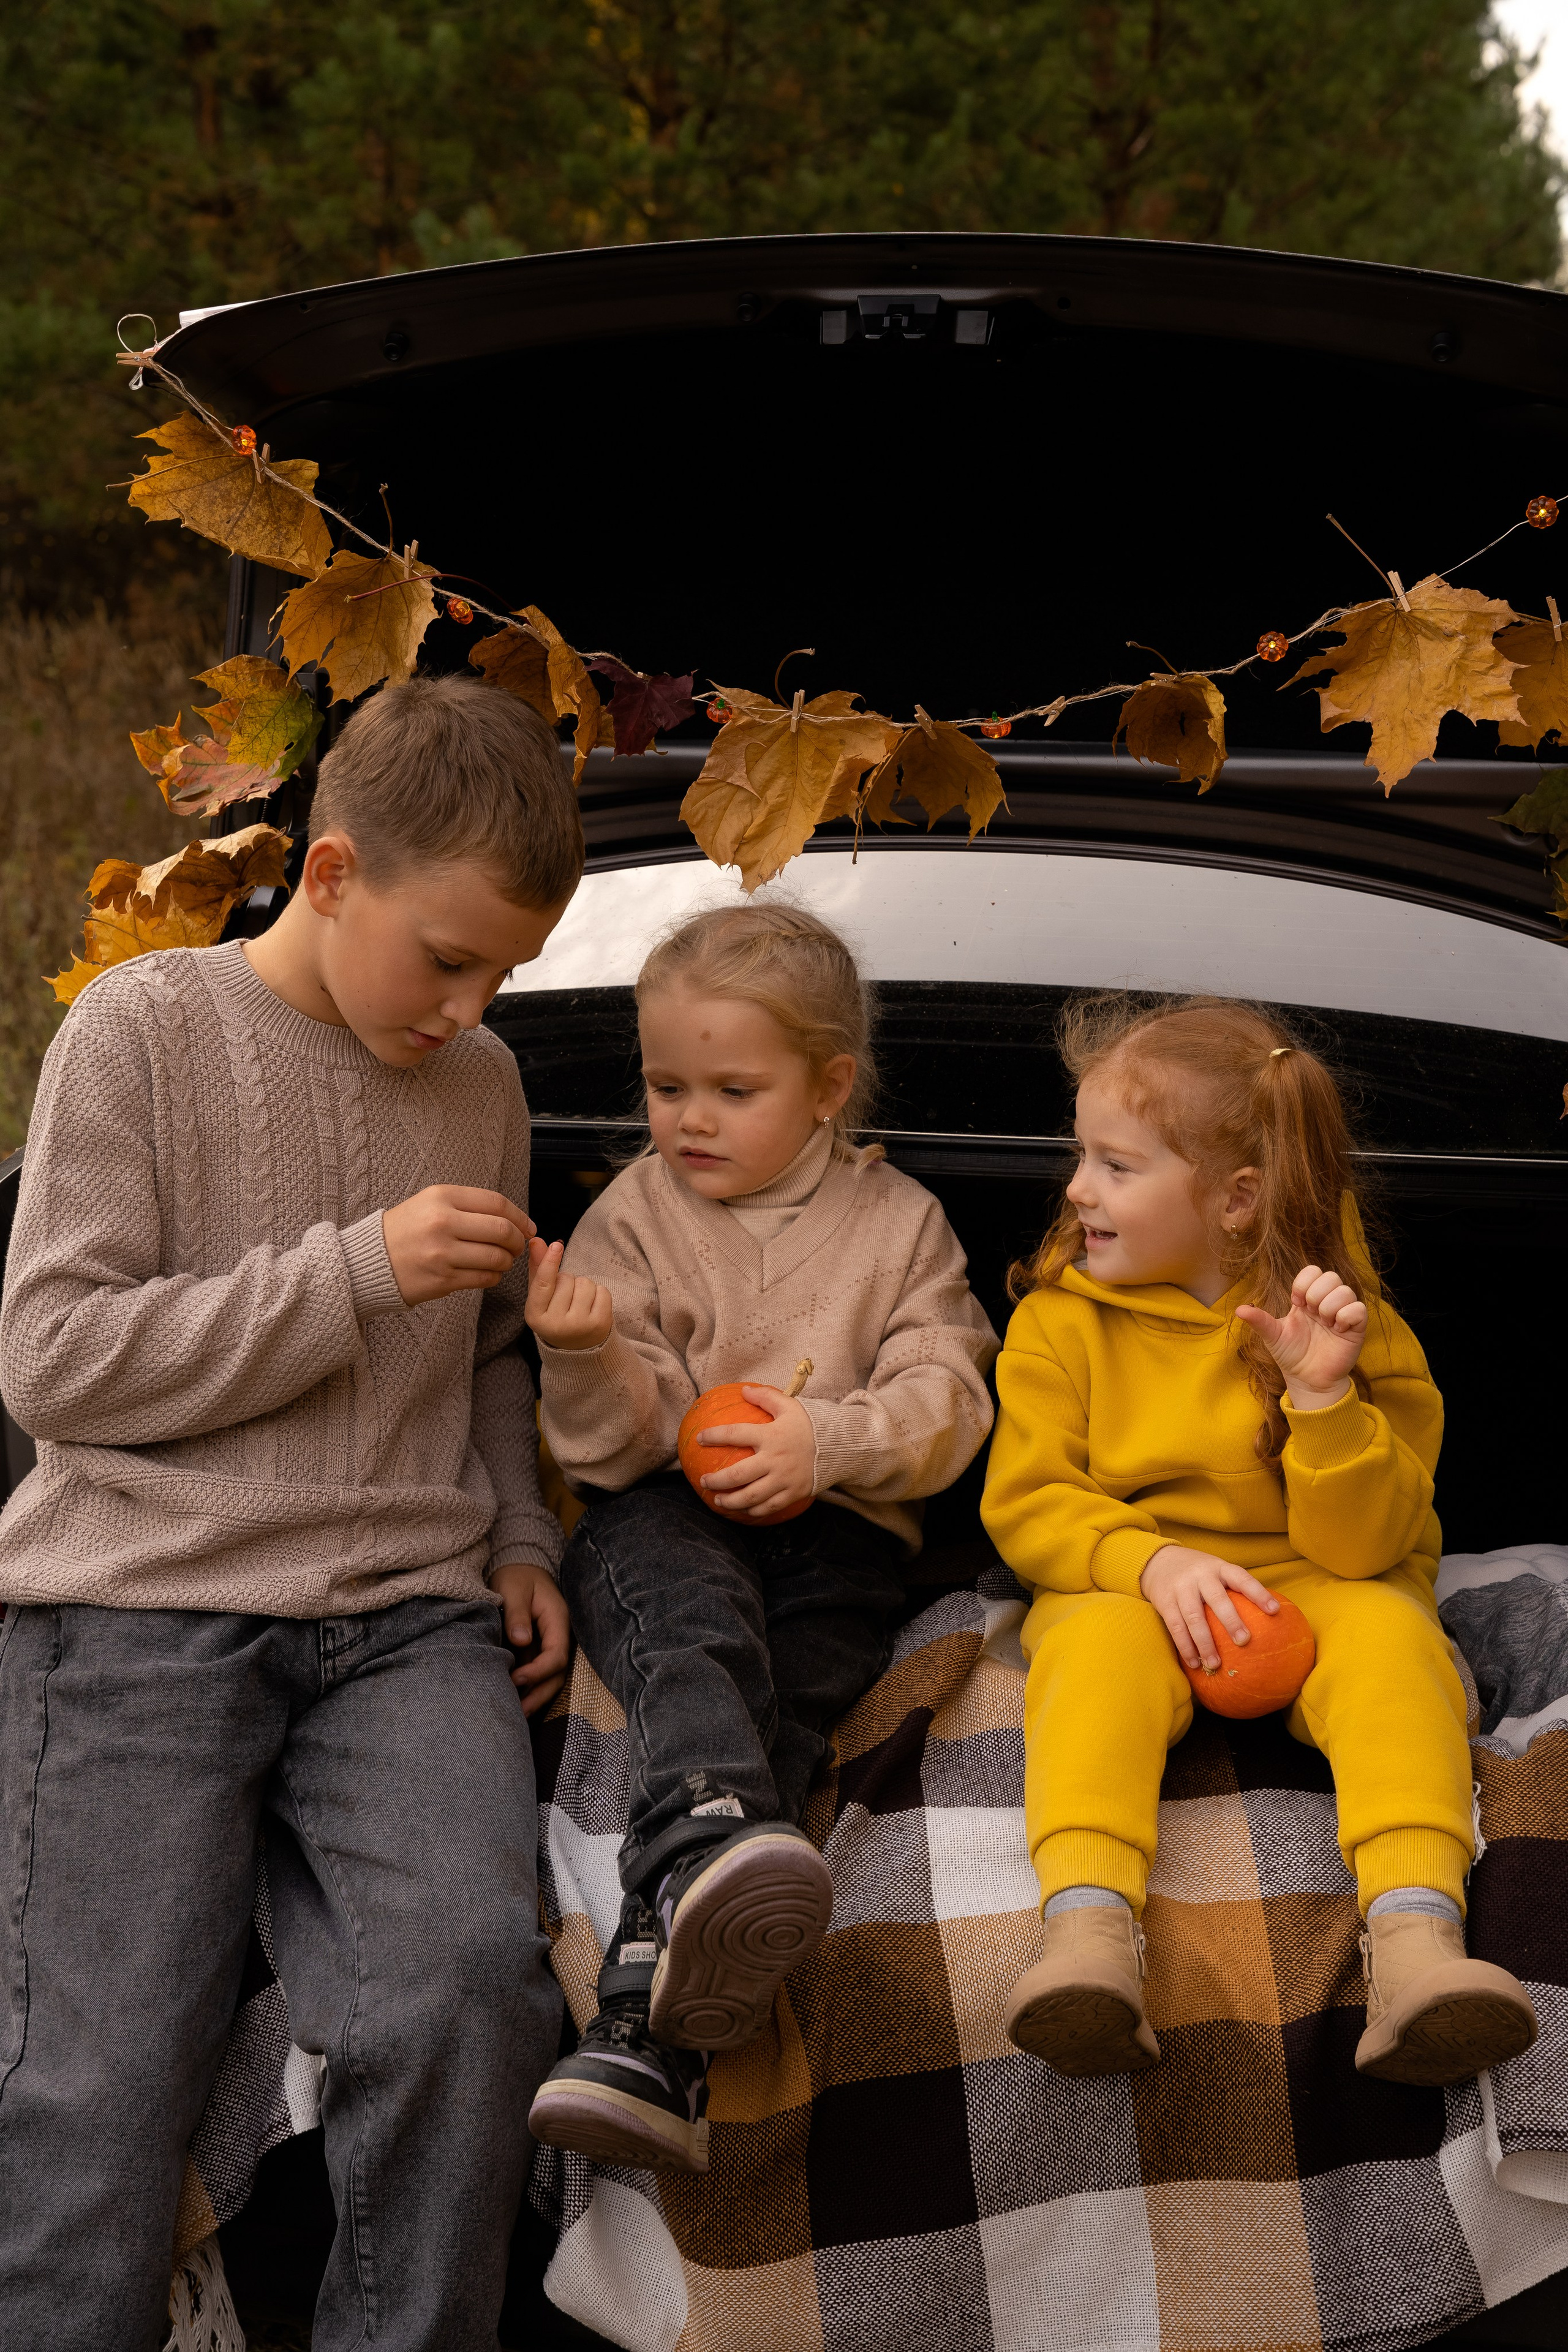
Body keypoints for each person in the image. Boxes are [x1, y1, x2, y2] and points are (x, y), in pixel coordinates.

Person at [0, 674, 580, 2352]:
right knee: (91, 2090)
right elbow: (53, 1361)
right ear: (330, 875)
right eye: (449, 957)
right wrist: (349, 1271)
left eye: (506, 975)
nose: (471, 1005)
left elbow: (481, 1356)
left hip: (408, 1625)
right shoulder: (141, 1030)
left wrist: (522, 1542)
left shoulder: (484, 1086)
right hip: (136, 1606)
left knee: (474, 1992)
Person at [981, 992, 1537, 2087]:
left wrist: (1323, 1402)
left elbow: (1376, 1543)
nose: (1077, 1188)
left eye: (1117, 1166)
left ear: (1238, 1201)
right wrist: (1150, 1562)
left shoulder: (1344, 1326)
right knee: (1089, 1655)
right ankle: (1089, 1941)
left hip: (1315, 1577)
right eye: (1080, 1155)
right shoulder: (1060, 1320)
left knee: (1391, 1643)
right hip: (1137, 1575)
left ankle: (1419, 1947)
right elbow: (1030, 1501)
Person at [524, 902, 998, 2173]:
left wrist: (826, 1442)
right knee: (692, 1647)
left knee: (788, 1705)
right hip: (665, 1512)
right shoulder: (633, 1215)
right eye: (664, 1083)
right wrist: (579, 1353)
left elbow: (951, 1399)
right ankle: (710, 1839)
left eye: (731, 1089)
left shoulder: (901, 1226)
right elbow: (605, 1453)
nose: (687, 1117)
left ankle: (643, 2030)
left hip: (837, 1535)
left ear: (828, 1084)